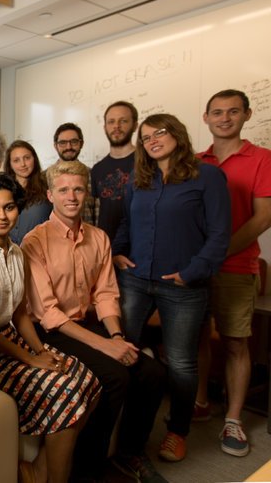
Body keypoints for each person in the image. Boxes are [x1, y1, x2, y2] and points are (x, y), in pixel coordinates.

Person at [22, 160, 167, 483]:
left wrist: (116, 337)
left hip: (85, 324)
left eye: (78, 189)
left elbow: (105, 295)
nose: (71, 196)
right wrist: (105, 346)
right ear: (50, 195)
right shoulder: (35, 241)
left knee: (153, 372)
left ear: (86, 193)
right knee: (115, 376)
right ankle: (87, 470)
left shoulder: (99, 238)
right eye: (63, 190)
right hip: (50, 332)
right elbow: (49, 313)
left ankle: (130, 453)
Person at [0, 174, 99, 483]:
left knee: (88, 380)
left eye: (9, 207)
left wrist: (40, 350)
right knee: (65, 391)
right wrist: (29, 358)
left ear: (19, 209)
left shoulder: (18, 253)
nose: (1, 216)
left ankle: (38, 470)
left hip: (9, 337)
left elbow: (21, 313)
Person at [113, 114, 231, 463]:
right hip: (136, 280)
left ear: (177, 134)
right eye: (145, 137)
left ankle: (177, 431)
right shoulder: (139, 180)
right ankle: (123, 425)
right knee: (123, 348)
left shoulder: (207, 176)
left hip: (183, 285)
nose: (152, 141)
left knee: (180, 362)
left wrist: (192, 272)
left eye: (159, 133)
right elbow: (127, 222)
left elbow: (220, 234)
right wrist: (117, 252)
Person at [196, 89, 271, 457]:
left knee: (235, 344)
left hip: (236, 268)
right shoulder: (196, 161)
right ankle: (200, 402)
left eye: (233, 111)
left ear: (247, 115)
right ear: (206, 118)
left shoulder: (262, 159)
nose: (224, 118)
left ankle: (234, 419)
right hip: (197, 269)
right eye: (217, 112)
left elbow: (263, 217)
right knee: (196, 339)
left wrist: (217, 252)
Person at [91, 101, 138, 242]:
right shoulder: (97, 169)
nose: (116, 126)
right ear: (105, 127)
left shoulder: (147, 163)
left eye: (123, 121)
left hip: (139, 245)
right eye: (111, 122)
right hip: (106, 246)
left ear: (135, 125)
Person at [3, 140, 51, 244]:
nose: (23, 164)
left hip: (39, 250)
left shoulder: (48, 187)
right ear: (10, 164)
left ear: (34, 159)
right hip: (7, 250)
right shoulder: (2, 189)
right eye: (16, 160)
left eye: (27, 158)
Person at [53, 122, 95, 225]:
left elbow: (97, 213)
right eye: (63, 142)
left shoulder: (93, 175)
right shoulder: (43, 178)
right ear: (55, 146)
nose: (68, 147)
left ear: (81, 144)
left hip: (87, 234)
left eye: (74, 141)